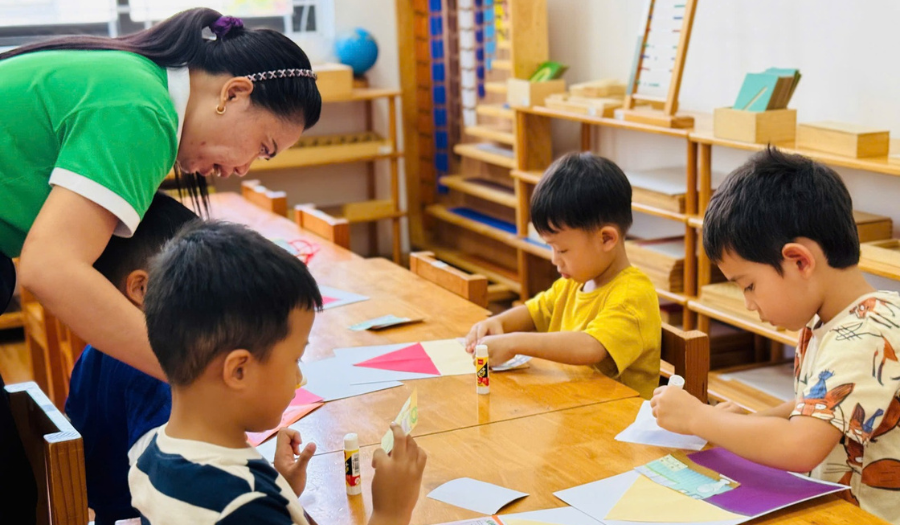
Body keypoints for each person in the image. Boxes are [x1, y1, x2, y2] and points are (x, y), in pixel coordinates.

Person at [651, 147, 900, 523]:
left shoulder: (863, 335)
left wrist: (698, 419)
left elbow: (800, 447)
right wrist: (744, 423)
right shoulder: (834, 319)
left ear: (800, 261)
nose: (749, 304)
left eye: (749, 285)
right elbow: (812, 408)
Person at [129, 221, 427, 524]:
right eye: (295, 359)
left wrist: (278, 491)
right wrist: (392, 512)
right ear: (239, 371)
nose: (301, 378)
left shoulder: (149, 454)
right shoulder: (243, 505)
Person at [465, 152, 662, 399]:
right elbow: (535, 312)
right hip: (574, 410)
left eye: (562, 249)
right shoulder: (575, 283)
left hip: (619, 425)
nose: (554, 259)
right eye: (551, 248)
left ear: (606, 238)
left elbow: (591, 346)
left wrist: (514, 342)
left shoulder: (633, 294)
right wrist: (499, 323)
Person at [65, 192, 197, 525]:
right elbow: (164, 491)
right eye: (195, 277)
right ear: (140, 288)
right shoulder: (151, 365)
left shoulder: (97, 347)